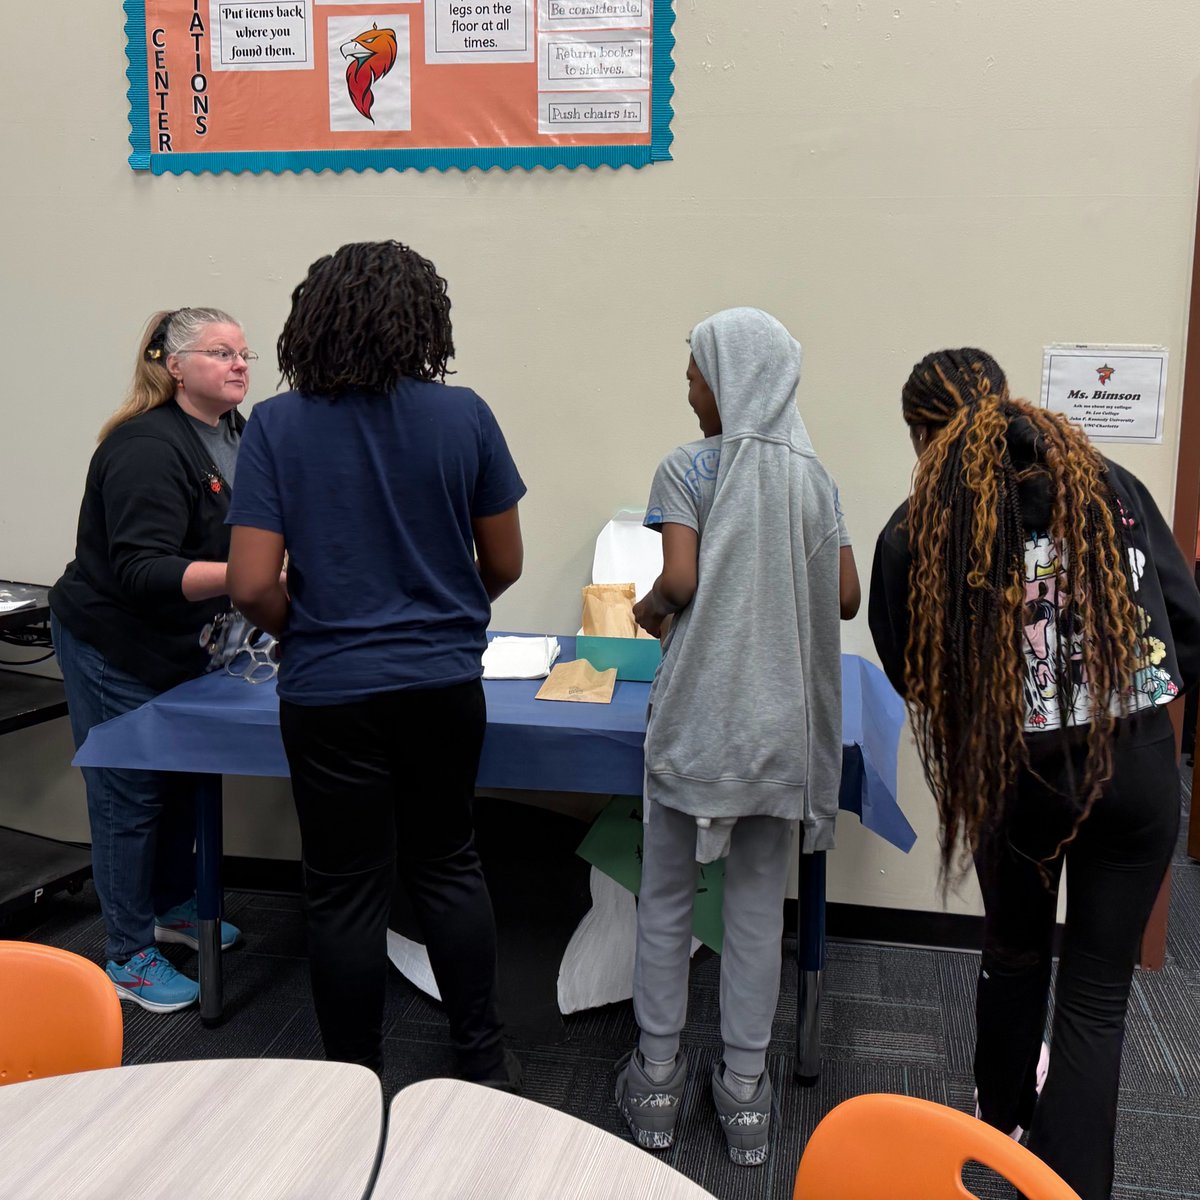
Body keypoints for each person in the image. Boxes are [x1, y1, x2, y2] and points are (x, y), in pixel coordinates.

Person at [868, 348, 1200, 1199]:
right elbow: (1188, 629)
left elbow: (912, 672)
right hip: (1135, 769)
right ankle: (1065, 1186)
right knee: (1096, 999)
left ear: (921, 436)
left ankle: (1000, 1127)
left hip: (1016, 779)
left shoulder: (914, 531)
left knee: (1017, 955)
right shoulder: (1111, 487)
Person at [226, 240, 525, 1088]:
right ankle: (481, 1058)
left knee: (345, 891)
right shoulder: (464, 415)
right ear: (423, 323)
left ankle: (351, 1079)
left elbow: (251, 585)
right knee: (449, 864)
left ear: (309, 323)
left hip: (328, 692)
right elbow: (503, 561)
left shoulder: (278, 425)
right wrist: (444, 613)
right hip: (441, 684)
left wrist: (306, 625)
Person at [616, 308, 859, 1166]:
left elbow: (677, 578)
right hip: (777, 733)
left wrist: (649, 611)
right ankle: (747, 1094)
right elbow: (844, 598)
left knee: (669, 900)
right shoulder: (813, 478)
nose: (687, 390)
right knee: (759, 909)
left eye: (694, 374)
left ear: (728, 381)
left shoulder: (687, 469)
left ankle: (655, 1080)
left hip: (700, 724)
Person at [50, 308, 252, 1012]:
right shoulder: (145, 446)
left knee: (174, 781)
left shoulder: (236, 435)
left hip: (181, 640)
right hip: (116, 639)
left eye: (244, 354)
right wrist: (250, 577)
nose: (239, 364)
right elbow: (141, 570)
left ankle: (171, 908)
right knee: (127, 792)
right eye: (220, 353)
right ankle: (127, 955)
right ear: (173, 364)